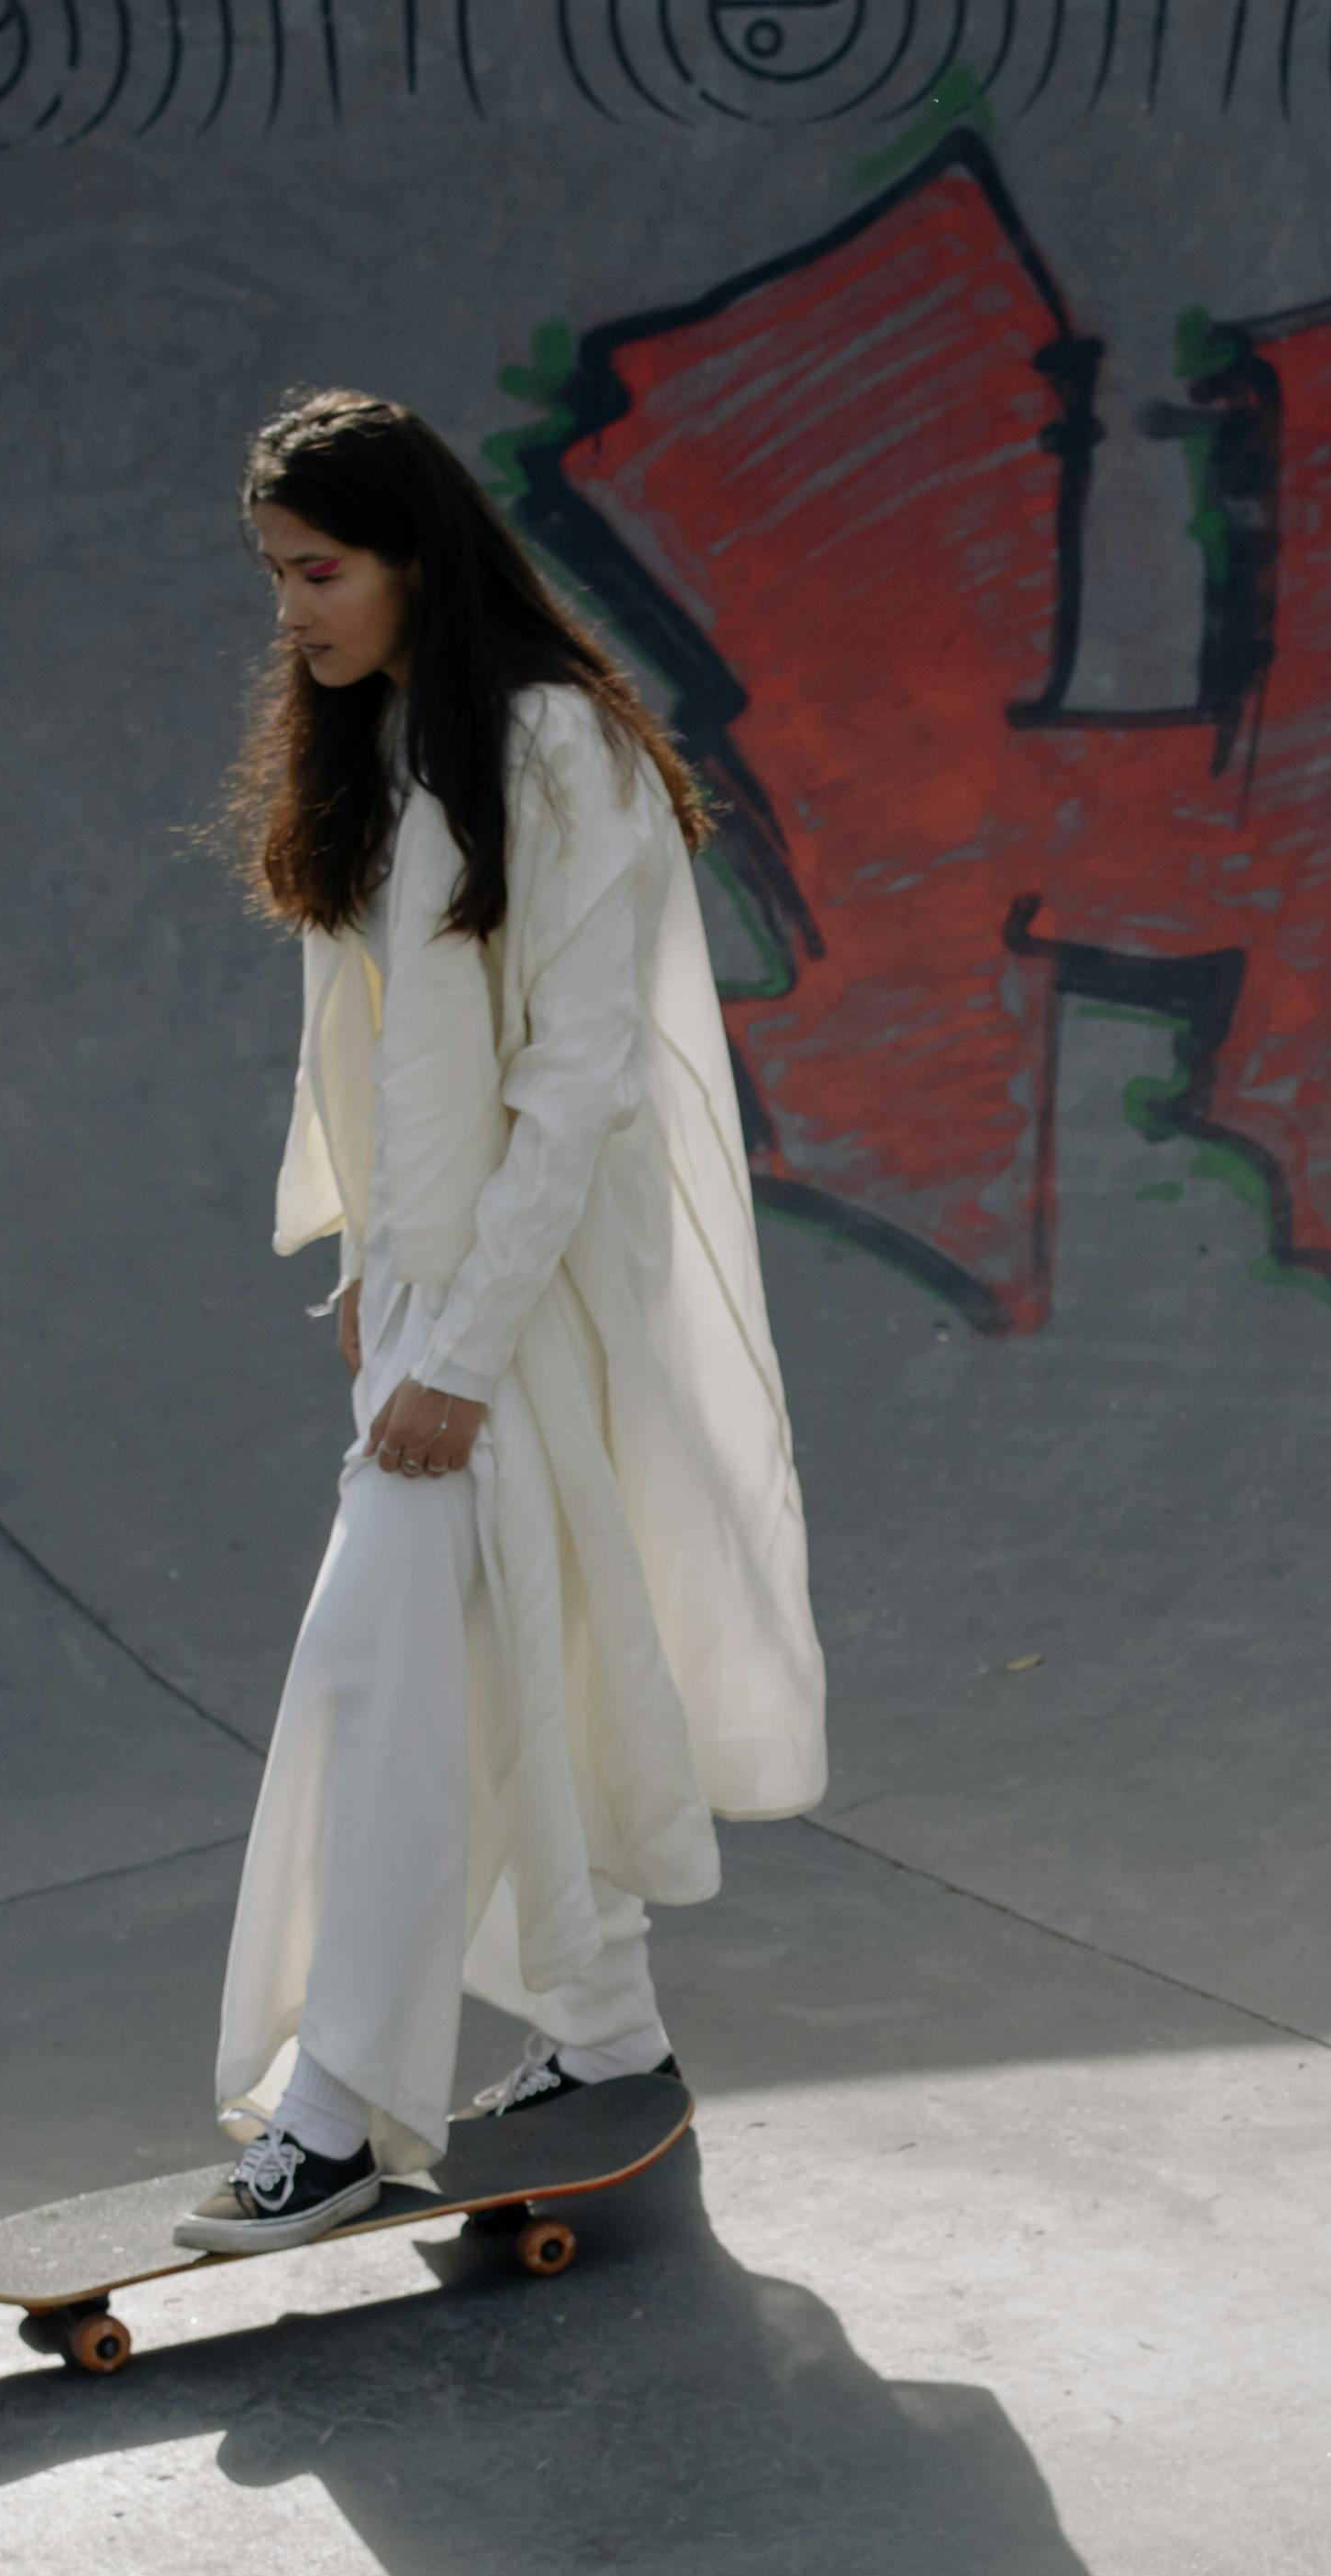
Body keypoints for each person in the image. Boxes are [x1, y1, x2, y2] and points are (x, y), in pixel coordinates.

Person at [178, 390, 825, 2254]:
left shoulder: (557, 751)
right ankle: (603, 2018)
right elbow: (377, 1049)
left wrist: (458, 1349)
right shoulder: (385, 743)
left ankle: (336, 2106)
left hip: (519, 1314)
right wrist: (378, 1276)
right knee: (511, 1649)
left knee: (374, 1678)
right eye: (278, 577)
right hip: (435, 1308)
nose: (294, 610)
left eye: (322, 570)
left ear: (415, 555)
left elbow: (580, 1090)